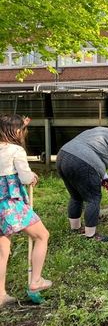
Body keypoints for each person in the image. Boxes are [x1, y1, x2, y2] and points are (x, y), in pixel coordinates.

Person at [0, 114, 51, 307]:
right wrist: (32, 177)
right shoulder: (15, 150)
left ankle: (0, 294)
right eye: (22, 130)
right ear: (16, 131)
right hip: (9, 203)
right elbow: (24, 177)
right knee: (42, 236)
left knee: (2, 250)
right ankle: (36, 280)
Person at [56, 125, 108, 242]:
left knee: (76, 196)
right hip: (83, 161)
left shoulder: (102, 131)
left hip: (63, 156)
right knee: (93, 198)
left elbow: (94, 150)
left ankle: (75, 229)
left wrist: (104, 176)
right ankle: (91, 235)